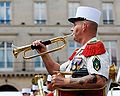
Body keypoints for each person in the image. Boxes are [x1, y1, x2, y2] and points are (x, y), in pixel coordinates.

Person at [32, 6, 110, 96]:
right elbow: (56, 70)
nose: (71, 29)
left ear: (84, 26)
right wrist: (43, 53)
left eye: (74, 25)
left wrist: (65, 81)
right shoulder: (80, 52)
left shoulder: (95, 47)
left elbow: (99, 80)